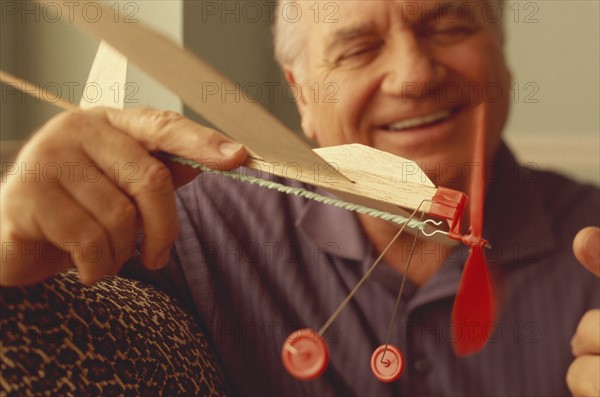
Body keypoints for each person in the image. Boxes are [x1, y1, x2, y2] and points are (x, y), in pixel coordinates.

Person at [1, 0, 598, 395]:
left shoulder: (591, 239)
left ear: (501, 57)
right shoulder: (191, 226)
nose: (414, 74)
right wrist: (7, 252)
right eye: (358, 49)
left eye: (448, 26)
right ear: (302, 97)